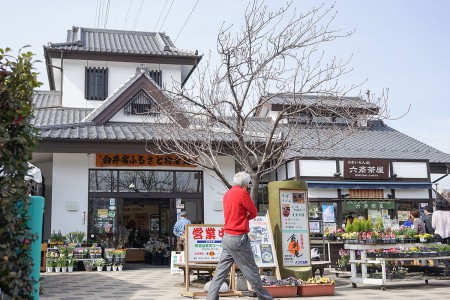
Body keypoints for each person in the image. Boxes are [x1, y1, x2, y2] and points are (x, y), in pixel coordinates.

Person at [206, 172, 272, 300]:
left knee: (221, 270)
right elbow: (253, 212)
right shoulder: (242, 193)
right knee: (250, 269)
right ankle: (265, 297)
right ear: (246, 184)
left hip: (227, 237)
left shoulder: (227, 193)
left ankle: (211, 297)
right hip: (239, 237)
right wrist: (245, 216)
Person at [432, 199, 450, 268]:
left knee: (440, 252)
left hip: (439, 234)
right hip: (449, 234)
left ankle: (448, 265)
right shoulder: (449, 213)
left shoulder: (436, 213)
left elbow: (433, 226)